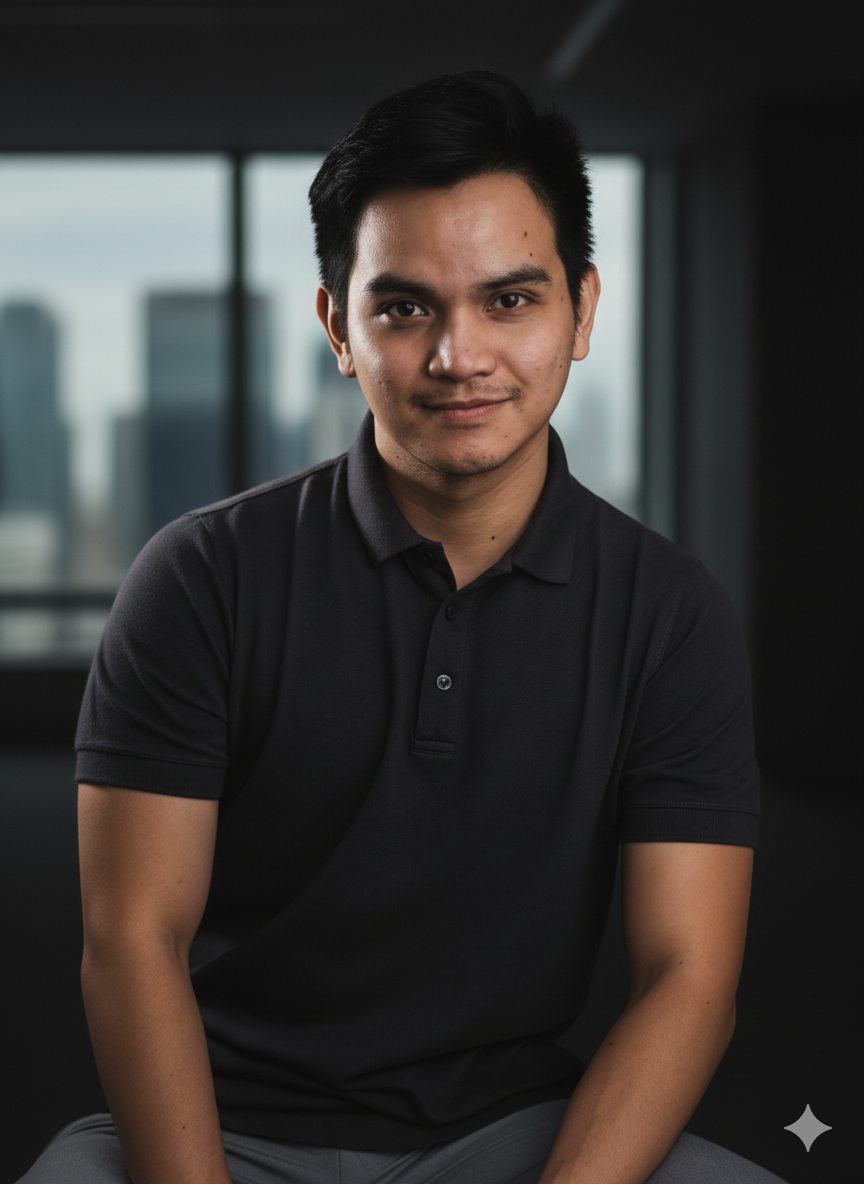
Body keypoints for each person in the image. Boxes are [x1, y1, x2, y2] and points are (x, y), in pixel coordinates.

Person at [18, 70, 787, 1184]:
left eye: (510, 300)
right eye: (404, 305)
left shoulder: (670, 614)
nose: (456, 355)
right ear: (338, 324)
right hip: (225, 1126)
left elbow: (689, 978)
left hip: (520, 1132)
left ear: (583, 310)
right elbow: (133, 940)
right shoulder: (200, 577)